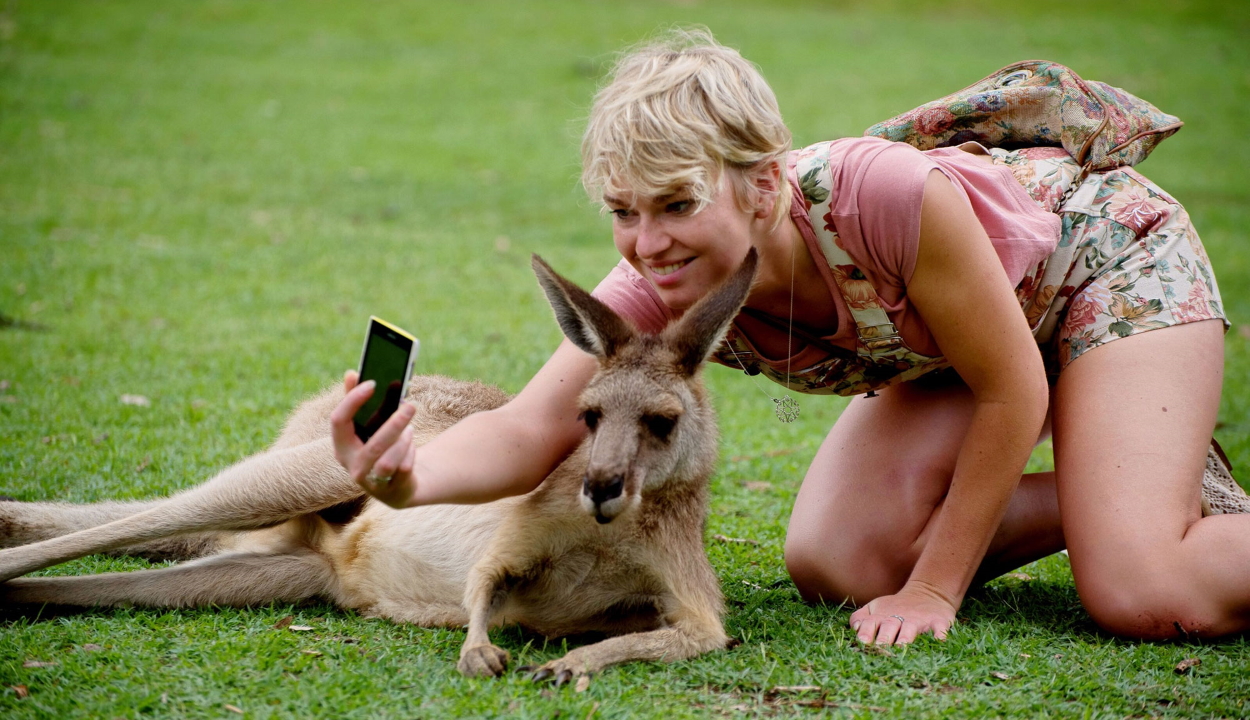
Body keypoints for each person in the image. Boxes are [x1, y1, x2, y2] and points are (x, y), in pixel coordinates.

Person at [328, 29, 1249, 645]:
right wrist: (400, 479)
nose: (649, 244)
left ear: (762, 185)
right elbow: (525, 434)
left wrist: (934, 591)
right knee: (837, 564)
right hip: (953, 349)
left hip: (1098, 271)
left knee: (1140, 587)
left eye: (678, 204)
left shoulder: (882, 197)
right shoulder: (659, 286)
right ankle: (1134, 487)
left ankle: (1139, 511)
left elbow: (1013, 388)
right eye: (623, 212)